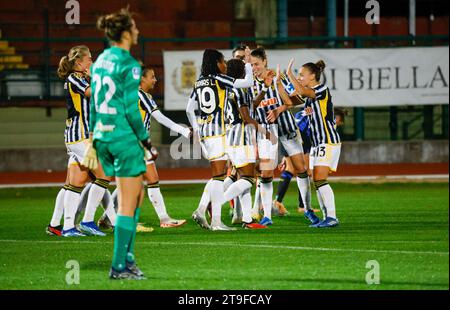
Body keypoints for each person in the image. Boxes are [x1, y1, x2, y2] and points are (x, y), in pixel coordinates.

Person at [83, 7, 156, 279]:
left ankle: (128, 260)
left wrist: (92, 138)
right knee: (129, 202)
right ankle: (119, 266)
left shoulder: (100, 60)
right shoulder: (129, 64)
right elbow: (130, 109)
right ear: (125, 33)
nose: (137, 31)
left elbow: (94, 102)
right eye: (134, 27)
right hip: (123, 137)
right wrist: (146, 140)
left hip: (102, 136)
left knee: (135, 197)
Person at [48, 45, 115, 237]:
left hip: (77, 136)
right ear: (79, 63)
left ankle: (66, 227)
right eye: (89, 59)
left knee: (75, 183)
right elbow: (92, 93)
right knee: (103, 176)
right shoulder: (75, 78)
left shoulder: (79, 78)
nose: (91, 62)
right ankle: (87, 221)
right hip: (80, 136)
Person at [186, 48, 254, 231]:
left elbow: (188, 109)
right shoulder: (219, 78)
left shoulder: (199, 82)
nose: (225, 65)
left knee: (218, 176)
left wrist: (197, 128)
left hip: (206, 132)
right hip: (219, 132)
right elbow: (248, 82)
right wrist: (247, 63)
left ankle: (204, 211)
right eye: (223, 61)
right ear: (216, 63)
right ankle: (215, 221)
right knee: (218, 177)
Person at [249, 47, 317, 226]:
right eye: (251, 64)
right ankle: (267, 216)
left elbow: (298, 100)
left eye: (256, 63)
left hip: (287, 129)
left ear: (265, 61)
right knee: (266, 173)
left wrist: (280, 108)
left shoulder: (278, 78)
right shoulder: (250, 84)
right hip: (266, 133)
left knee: (301, 168)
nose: (254, 67)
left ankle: (308, 210)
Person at [286, 58, 341, 228]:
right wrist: (280, 84)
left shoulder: (321, 89)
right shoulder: (308, 96)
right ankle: (327, 218)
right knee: (317, 180)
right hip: (317, 143)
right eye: (298, 75)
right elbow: (290, 99)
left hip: (327, 140)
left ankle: (332, 217)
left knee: (320, 178)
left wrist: (289, 74)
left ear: (312, 76)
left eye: (302, 75)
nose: (300, 77)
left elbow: (301, 91)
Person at [224, 58, 268, 229]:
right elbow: (247, 117)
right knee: (249, 178)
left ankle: (247, 219)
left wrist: (264, 88)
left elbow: (252, 106)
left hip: (233, 138)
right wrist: (266, 132)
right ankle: (216, 201)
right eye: (244, 67)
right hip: (241, 137)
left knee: (243, 177)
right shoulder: (239, 88)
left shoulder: (232, 88)